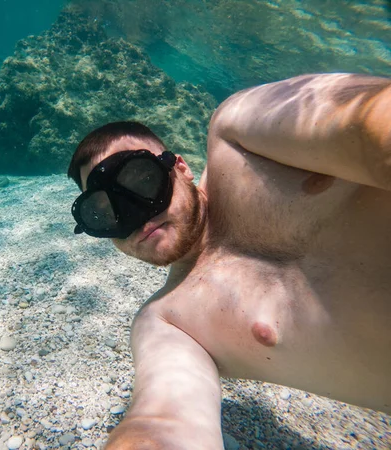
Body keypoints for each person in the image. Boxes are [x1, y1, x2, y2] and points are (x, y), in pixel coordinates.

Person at [67, 73, 390, 449]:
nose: (137, 217)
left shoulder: (239, 138)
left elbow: (372, 122)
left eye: (141, 182)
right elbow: (164, 421)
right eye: (106, 212)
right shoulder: (168, 322)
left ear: (180, 167)